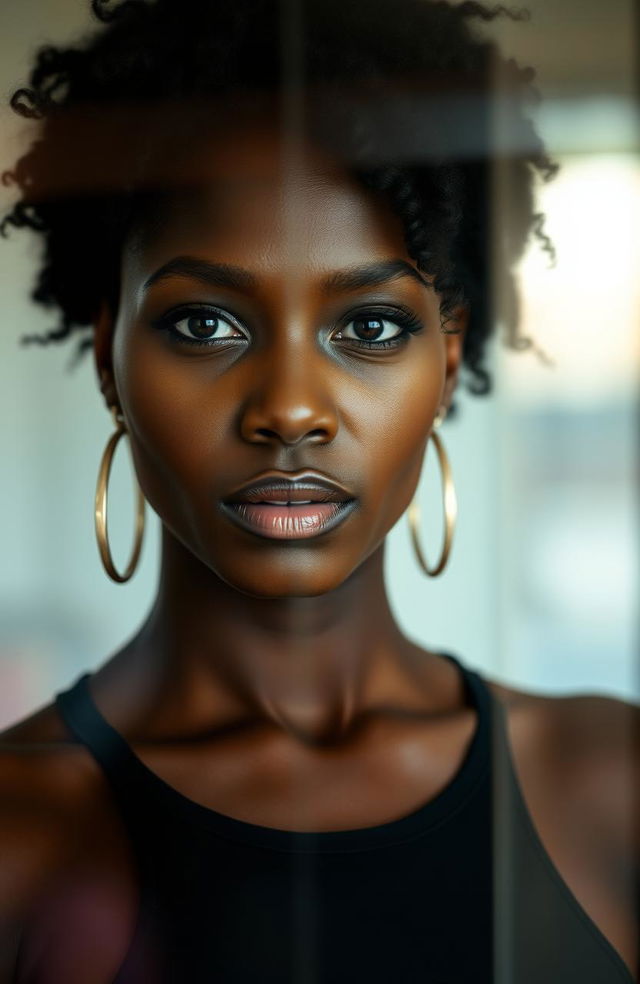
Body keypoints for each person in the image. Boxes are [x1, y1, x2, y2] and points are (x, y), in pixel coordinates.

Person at [0, 0, 637, 981]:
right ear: (106, 360)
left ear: (447, 357)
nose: (290, 410)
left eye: (371, 328)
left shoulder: (607, 782)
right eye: (205, 325)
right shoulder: (20, 837)